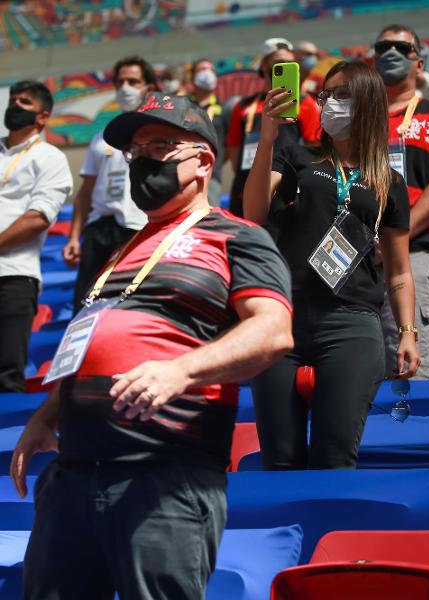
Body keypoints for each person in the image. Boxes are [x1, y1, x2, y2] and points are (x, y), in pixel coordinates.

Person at [11, 92, 293, 599]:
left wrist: (180, 371)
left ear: (203, 160)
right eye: (134, 152)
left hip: (164, 476)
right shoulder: (124, 249)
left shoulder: (237, 236)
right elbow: (93, 340)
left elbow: (272, 331)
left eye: (159, 145)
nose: (141, 160)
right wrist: (46, 416)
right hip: (74, 476)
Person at [243, 61, 420, 470]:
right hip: (281, 318)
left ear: (369, 104)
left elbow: (398, 269)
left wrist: (407, 332)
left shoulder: (388, 182)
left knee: (335, 455)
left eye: (343, 95)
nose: (329, 103)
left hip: (352, 322)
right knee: (280, 458)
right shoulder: (295, 157)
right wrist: (267, 138)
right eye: (326, 95)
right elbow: (252, 214)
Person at [374, 24, 429, 379]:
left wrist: (397, 236)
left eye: (402, 48)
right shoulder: (356, 120)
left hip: (414, 248)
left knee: (410, 370)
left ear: (419, 63)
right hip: (356, 255)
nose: (391, 53)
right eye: (383, 47)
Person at [63, 56, 157, 312]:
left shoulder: (161, 133)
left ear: (149, 86)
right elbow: (86, 192)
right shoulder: (101, 137)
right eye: (120, 82)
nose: (125, 87)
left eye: (133, 81)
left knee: (131, 304)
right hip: (99, 229)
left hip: (140, 227)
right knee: (86, 302)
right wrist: (74, 236)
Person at [0, 80, 73, 392]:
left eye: (25, 102)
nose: (15, 105)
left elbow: (39, 217)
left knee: (4, 375)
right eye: (13, 99)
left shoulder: (50, 157)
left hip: (13, 277)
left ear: (43, 117)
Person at [226, 37, 321, 217]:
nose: (284, 67)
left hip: (285, 191)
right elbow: (234, 147)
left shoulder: (306, 104)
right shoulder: (243, 106)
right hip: (244, 189)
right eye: (278, 63)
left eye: (289, 63)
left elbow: (314, 149)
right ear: (264, 66)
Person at [190, 58, 225, 207]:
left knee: (209, 217)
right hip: (184, 171)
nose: (207, 74)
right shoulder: (184, 106)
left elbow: (230, 144)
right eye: (202, 70)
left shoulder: (223, 108)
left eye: (210, 70)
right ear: (192, 77)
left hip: (212, 175)